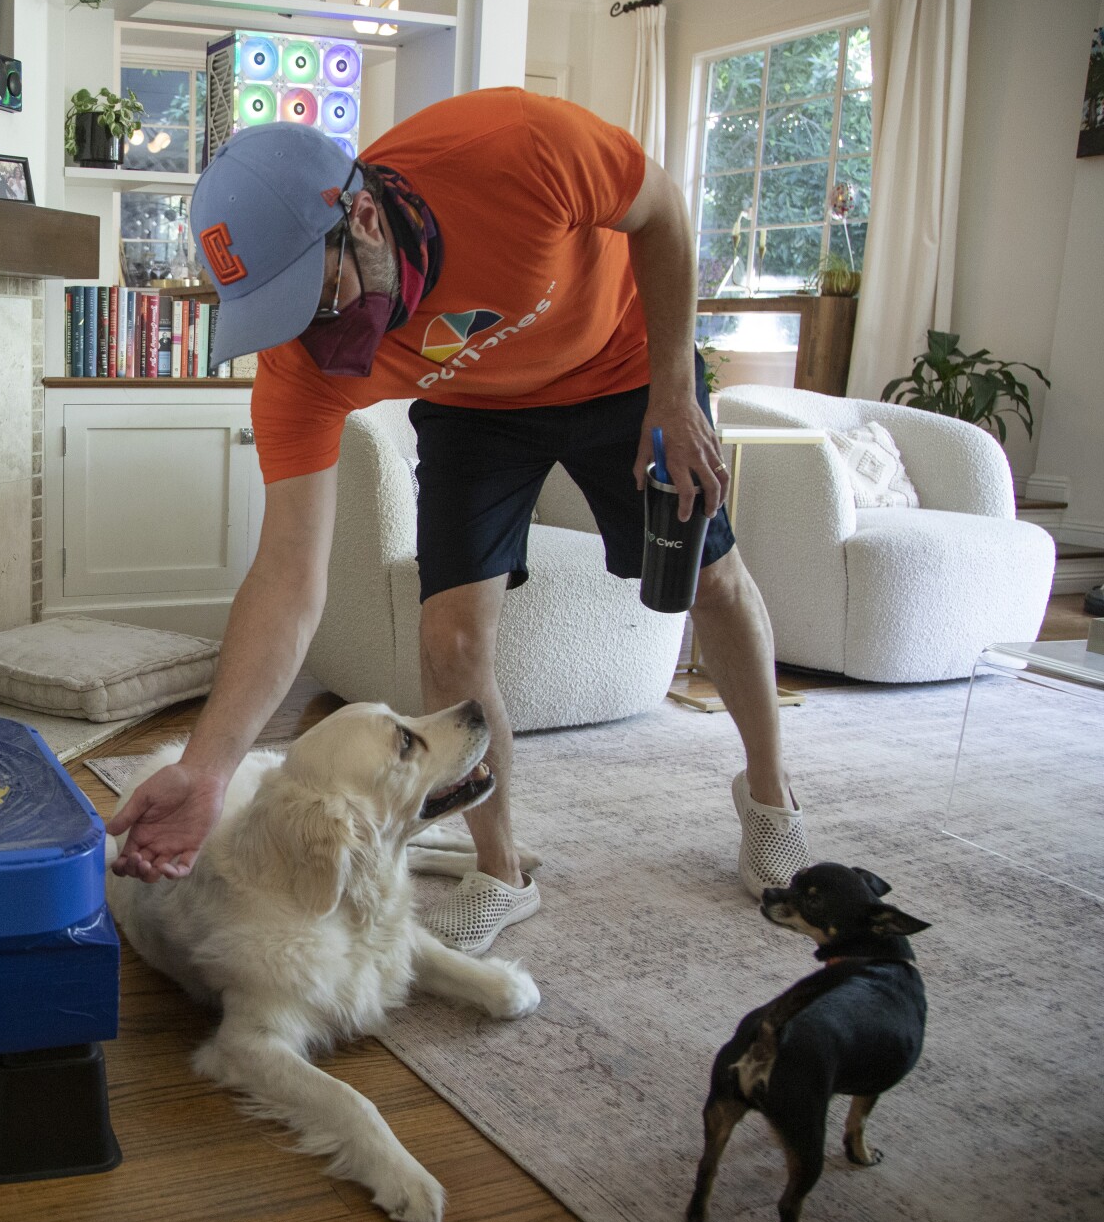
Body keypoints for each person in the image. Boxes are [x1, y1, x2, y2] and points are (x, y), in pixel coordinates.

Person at [107, 89, 811, 954]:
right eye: (275, 315)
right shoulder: (298, 369)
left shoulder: (516, 149)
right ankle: (501, 869)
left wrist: (673, 385)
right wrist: (208, 769)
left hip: (626, 364)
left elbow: (661, 210)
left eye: (311, 298)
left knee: (713, 578)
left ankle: (770, 796)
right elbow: (288, 577)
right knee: (449, 641)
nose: (307, 338)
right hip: (477, 406)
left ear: (363, 216)